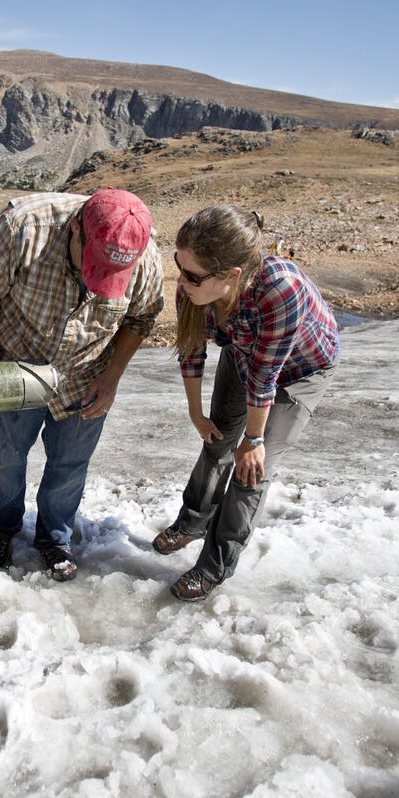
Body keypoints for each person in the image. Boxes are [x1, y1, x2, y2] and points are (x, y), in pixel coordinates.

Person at [0, 189, 164, 580]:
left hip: (87, 375)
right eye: (93, 265)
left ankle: (54, 539)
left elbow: (141, 319)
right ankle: (1, 529)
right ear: (74, 229)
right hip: (17, 366)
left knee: (70, 465)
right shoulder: (22, 227)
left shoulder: (143, 256)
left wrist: (111, 379)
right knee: (7, 456)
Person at [153, 205, 339, 601]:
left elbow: (266, 377)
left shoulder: (280, 290)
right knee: (217, 441)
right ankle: (193, 521)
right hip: (245, 354)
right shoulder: (194, 286)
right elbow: (191, 351)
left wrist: (254, 441)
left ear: (232, 275)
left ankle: (213, 567)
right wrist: (196, 414)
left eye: (191, 275)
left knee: (249, 471)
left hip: (301, 371)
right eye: (178, 265)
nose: (180, 280)